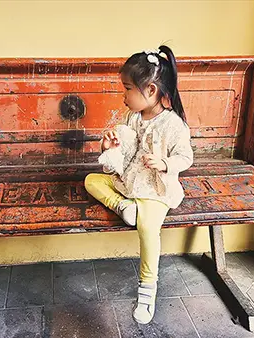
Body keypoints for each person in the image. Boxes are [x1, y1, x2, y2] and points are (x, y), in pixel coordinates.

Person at [85, 45, 193, 324]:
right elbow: (125, 154)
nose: (124, 97)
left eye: (128, 89)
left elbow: (185, 156)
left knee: (148, 228)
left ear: (151, 91)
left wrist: (166, 164)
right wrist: (110, 146)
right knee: (91, 180)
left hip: (155, 189)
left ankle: (147, 289)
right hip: (129, 182)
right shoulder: (133, 118)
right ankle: (122, 206)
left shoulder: (173, 125)